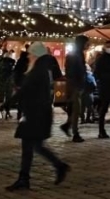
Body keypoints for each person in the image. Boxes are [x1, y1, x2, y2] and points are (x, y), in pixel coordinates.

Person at [7, 42, 70, 191]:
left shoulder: (38, 71)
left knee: (32, 145)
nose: (28, 56)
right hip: (38, 112)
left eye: (30, 54)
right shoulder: (43, 68)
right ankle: (27, 177)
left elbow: (25, 91)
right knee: (32, 145)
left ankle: (28, 177)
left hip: (36, 113)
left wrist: (7, 104)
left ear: (36, 54)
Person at [60, 36, 88, 143]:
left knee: (76, 109)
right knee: (77, 110)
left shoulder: (79, 54)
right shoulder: (74, 55)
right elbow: (70, 72)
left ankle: (67, 126)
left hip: (78, 85)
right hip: (75, 86)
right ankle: (75, 133)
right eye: (86, 43)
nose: (87, 45)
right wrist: (74, 85)